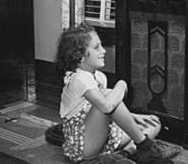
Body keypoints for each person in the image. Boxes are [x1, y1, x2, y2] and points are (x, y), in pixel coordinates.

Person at [56, 22, 180, 164]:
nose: (103, 51)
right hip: (84, 147)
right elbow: (106, 107)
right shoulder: (78, 78)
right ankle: (145, 147)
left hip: (103, 139)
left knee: (154, 123)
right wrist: (122, 85)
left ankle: (124, 154)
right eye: (97, 48)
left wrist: (133, 117)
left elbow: (109, 110)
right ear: (79, 56)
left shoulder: (99, 76)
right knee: (109, 94)